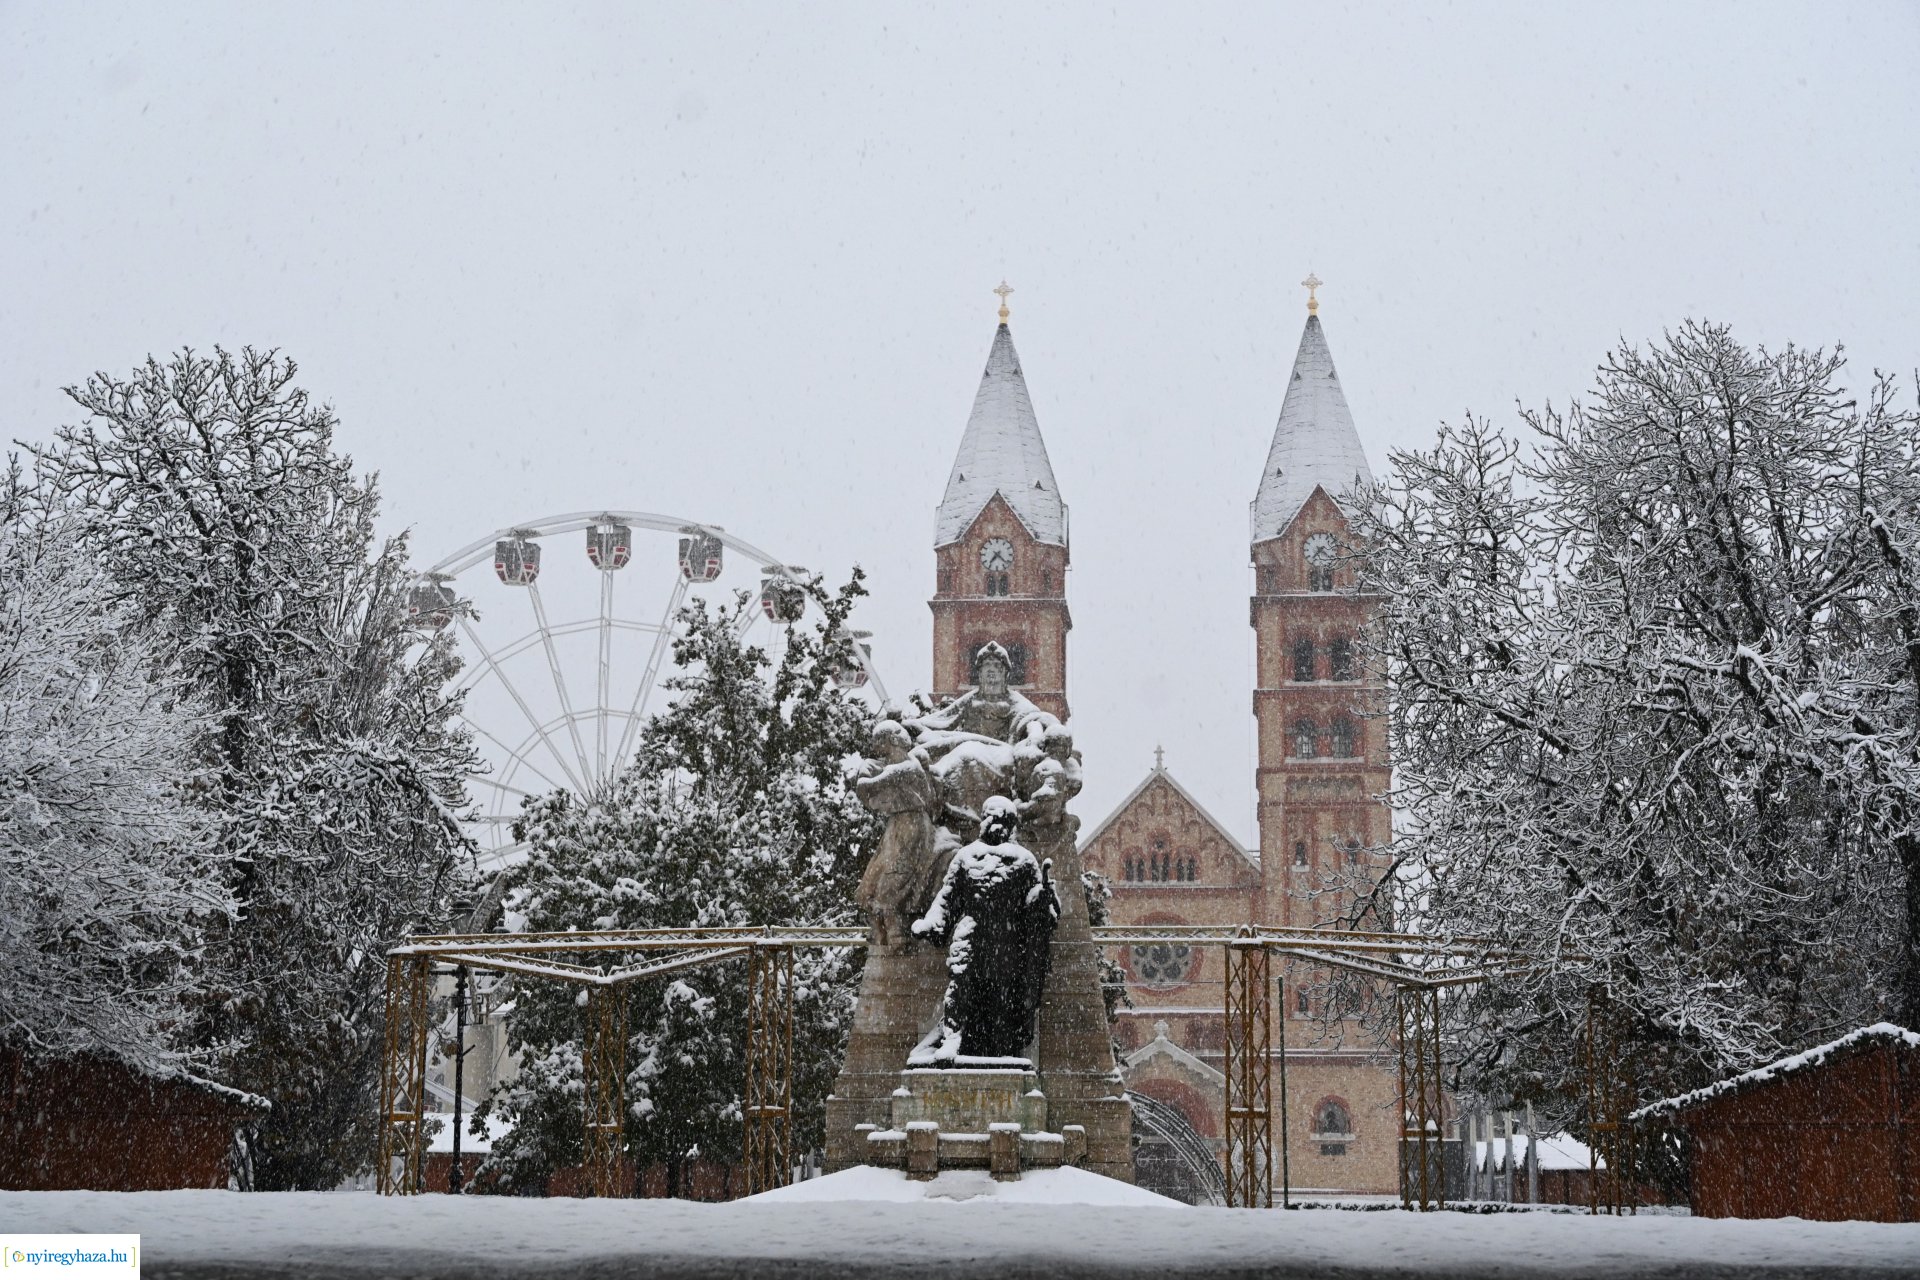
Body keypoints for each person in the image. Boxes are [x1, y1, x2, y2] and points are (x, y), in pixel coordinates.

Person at [854, 721, 938, 948]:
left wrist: (870, 780)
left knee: (897, 872)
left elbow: (874, 783)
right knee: (878, 873)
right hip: (898, 823)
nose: (877, 746)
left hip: (912, 823)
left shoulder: (909, 766)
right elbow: (867, 793)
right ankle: (887, 927)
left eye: (880, 741)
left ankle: (894, 928)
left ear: (891, 740)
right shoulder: (892, 766)